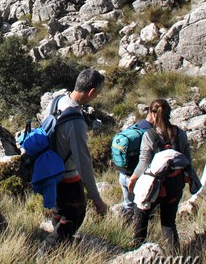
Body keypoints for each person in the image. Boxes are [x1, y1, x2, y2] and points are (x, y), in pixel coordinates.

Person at [39, 68, 108, 254]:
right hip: (67, 179)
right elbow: (83, 163)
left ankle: (62, 251)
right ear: (92, 92)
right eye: (97, 94)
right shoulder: (76, 121)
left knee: (59, 213)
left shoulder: (57, 100)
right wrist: (96, 198)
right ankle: (46, 251)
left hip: (49, 172)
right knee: (74, 216)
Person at [127, 98, 199, 252]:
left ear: (153, 115)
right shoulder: (180, 134)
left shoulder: (150, 135)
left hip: (155, 186)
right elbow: (187, 159)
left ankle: (137, 252)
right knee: (168, 223)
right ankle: (176, 258)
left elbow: (144, 163)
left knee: (141, 217)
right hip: (175, 184)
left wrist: (133, 179)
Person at [117, 108, 154, 219]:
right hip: (136, 177)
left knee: (128, 204)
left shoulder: (135, 126)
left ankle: (122, 226)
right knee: (143, 208)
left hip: (123, 173)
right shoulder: (150, 133)